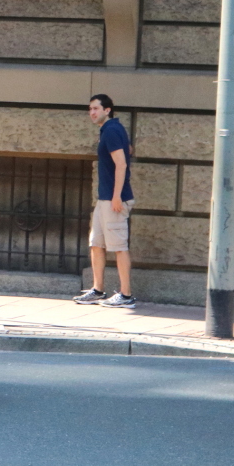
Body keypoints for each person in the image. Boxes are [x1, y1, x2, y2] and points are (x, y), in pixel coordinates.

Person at [74, 93, 136, 308]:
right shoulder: (112, 130)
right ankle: (98, 290)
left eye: (95, 109)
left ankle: (126, 296)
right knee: (96, 244)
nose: (92, 112)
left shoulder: (111, 130)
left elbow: (121, 164)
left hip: (113, 199)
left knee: (119, 246)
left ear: (107, 110)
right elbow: (127, 151)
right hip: (105, 199)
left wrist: (117, 196)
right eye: (90, 109)